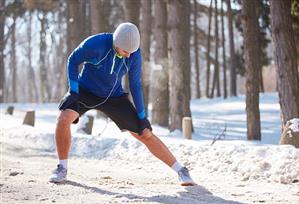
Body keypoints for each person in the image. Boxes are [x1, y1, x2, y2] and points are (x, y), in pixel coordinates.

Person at [49, 22, 195, 186]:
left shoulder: (134, 55)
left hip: (114, 97)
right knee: (63, 118)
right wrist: (73, 91)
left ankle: (181, 170)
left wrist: (142, 117)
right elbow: (73, 60)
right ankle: (62, 167)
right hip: (85, 91)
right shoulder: (96, 44)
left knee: (145, 133)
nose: (128, 55)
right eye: (125, 51)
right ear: (116, 43)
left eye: (131, 52)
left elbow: (135, 85)